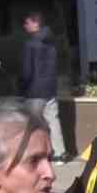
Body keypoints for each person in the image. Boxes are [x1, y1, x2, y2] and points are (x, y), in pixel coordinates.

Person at [20, 11, 67, 162]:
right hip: (50, 88)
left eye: (27, 23)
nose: (24, 26)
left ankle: (36, 154)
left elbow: (27, 70)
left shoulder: (30, 44)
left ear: (35, 23)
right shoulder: (51, 42)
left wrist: (23, 87)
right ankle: (60, 153)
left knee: (32, 125)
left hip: (34, 90)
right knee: (53, 121)